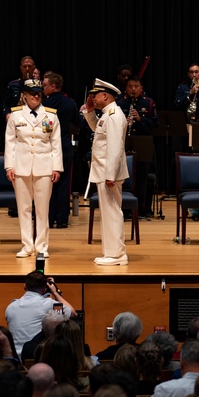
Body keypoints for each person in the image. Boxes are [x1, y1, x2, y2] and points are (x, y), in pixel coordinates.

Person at [5, 78, 64, 257]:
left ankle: (41, 246)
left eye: (38, 92)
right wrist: (9, 166)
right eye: (32, 93)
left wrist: (56, 168)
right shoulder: (15, 115)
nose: (36, 96)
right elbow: (10, 143)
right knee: (23, 208)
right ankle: (26, 245)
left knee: (42, 208)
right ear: (24, 95)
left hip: (44, 166)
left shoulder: (51, 115)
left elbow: (56, 144)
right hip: (21, 167)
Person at [81, 78, 129, 265]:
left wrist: (110, 175)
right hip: (104, 172)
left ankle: (117, 255)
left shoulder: (115, 115)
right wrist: (90, 112)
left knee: (112, 213)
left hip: (109, 174)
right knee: (108, 213)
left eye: (95, 95)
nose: (92, 98)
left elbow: (116, 148)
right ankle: (112, 252)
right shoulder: (108, 114)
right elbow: (98, 131)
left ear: (105, 96)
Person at [4, 271, 73, 357]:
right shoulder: (48, 304)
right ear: (45, 289)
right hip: (38, 358)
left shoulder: (10, 307)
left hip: (17, 361)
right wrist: (55, 293)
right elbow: (73, 313)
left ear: (24, 286)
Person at [116, 76, 157, 217]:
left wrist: (140, 119)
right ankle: (124, 209)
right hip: (124, 143)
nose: (133, 89)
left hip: (143, 143)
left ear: (141, 88)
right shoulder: (119, 103)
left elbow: (155, 125)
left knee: (142, 177)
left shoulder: (149, 103)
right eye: (130, 87)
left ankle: (141, 209)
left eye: (136, 86)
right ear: (126, 89)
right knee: (124, 177)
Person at [42, 72, 78, 229]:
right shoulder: (70, 103)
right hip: (64, 146)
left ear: (53, 86)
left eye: (44, 86)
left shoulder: (43, 104)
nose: (42, 89)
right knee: (64, 184)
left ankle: (48, 219)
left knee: (47, 183)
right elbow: (78, 124)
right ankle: (62, 219)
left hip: (47, 147)